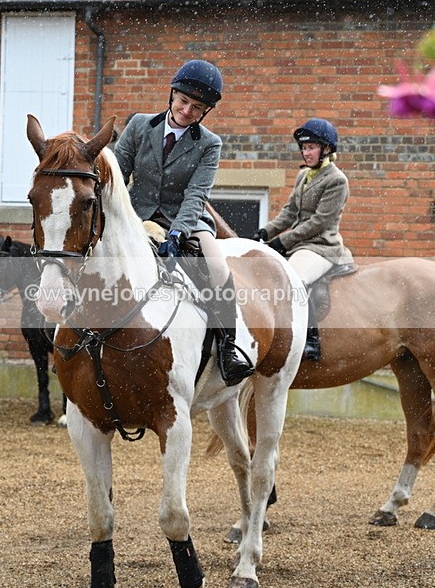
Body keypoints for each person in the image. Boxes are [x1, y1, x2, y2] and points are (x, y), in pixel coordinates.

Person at [114, 59, 254, 386]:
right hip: (136, 214)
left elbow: (196, 193)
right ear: (172, 95)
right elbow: (118, 175)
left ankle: (231, 346)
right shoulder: (138, 125)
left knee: (218, 268)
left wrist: (178, 233)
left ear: (205, 112)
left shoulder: (209, 144)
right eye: (184, 101)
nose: (187, 110)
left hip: (185, 219)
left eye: (197, 107)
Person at [255, 118, 354, 361]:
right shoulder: (304, 176)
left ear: (326, 149)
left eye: (311, 147)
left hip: (321, 247)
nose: (306, 152)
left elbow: (319, 222)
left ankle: (311, 341)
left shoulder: (337, 180)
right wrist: (265, 232)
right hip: (300, 244)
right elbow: (289, 212)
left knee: (293, 280)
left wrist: (282, 242)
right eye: (304, 148)